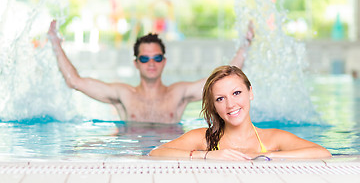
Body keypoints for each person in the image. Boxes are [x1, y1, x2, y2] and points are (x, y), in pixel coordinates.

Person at [47, 20, 253, 124]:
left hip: (171, 158)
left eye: (156, 58)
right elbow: (74, 81)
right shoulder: (122, 94)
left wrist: (245, 45)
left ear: (164, 61)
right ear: (136, 63)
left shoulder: (179, 93)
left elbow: (223, 81)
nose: (151, 63)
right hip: (131, 157)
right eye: (145, 58)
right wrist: (56, 44)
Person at [149, 65, 332, 160]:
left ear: (250, 92)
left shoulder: (272, 139)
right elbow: (156, 153)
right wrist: (208, 155)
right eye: (220, 99)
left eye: (236, 93)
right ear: (214, 106)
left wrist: (266, 156)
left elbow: (322, 153)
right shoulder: (203, 139)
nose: (231, 104)